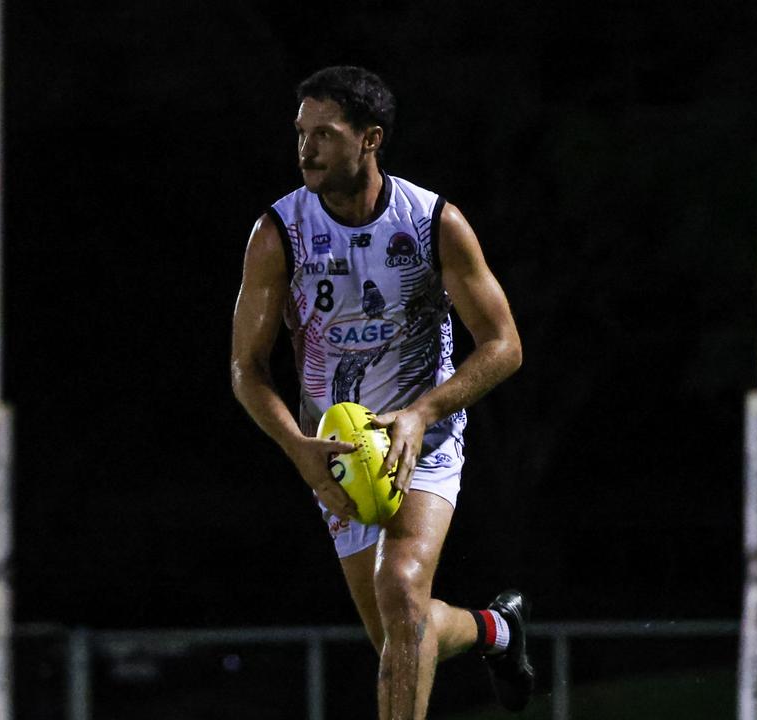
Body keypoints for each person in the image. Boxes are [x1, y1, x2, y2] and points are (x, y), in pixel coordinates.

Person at [231, 66, 533, 719]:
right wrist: (298, 448)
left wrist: (425, 412)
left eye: (325, 134)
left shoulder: (432, 221)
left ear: (370, 139)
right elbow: (246, 368)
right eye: (300, 133)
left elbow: (504, 344)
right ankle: (494, 630)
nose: (305, 148)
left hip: (423, 438)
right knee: (403, 632)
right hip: (334, 452)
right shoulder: (278, 233)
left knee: (400, 591)